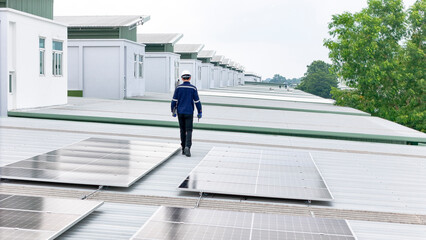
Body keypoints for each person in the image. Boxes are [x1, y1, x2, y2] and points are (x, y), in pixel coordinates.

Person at [171, 70, 202, 157]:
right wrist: (199, 111)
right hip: (189, 112)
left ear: (182, 78)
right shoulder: (193, 88)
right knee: (189, 130)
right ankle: (188, 146)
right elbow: (197, 101)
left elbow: (174, 100)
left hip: (180, 112)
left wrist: (172, 110)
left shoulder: (178, 88)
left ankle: (183, 147)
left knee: (182, 130)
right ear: (190, 78)